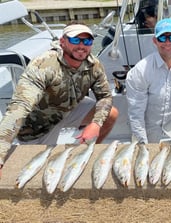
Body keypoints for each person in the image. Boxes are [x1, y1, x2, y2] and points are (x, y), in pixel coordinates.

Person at [0, 21, 118, 175]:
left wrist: (96, 123)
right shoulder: (43, 65)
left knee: (111, 114)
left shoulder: (93, 64)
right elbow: (19, 108)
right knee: (43, 171)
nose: (81, 46)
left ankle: (87, 152)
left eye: (87, 41)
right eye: (75, 40)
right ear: (62, 42)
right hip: (39, 125)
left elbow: (104, 96)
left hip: (68, 109)